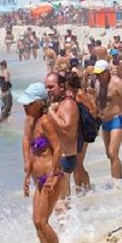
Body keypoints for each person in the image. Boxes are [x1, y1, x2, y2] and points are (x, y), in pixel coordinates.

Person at [17, 82, 69, 243]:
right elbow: (29, 145)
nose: (24, 106)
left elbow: (58, 148)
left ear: (39, 103)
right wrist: (26, 172)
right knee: (36, 221)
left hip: (51, 176)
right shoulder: (31, 121)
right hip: (39, 177)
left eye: (28, 103)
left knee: (42, 220)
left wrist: (53, 175)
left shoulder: (46, 121)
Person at [90, 59, 122, 179]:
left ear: (107, 71)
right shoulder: (97, 83)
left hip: (117, 119)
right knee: (109, 155)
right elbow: (97, 101)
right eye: (97, 74)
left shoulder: (117, 83)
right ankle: (119, 178)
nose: (98, 76)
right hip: (104, 122)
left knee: (113, 152)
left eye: (101, 73)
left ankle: (117, 183)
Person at [45, 72, 80, 202]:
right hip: (59, 158)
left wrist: (51, 112)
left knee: (60, 201)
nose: (48, 90)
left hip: (66, 158)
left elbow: (67, 128)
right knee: (63, 200)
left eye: (51, 87)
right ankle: (71, 221)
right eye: (46, 87)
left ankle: (68, 222)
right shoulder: (57, 104)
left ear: (61, 86)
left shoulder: (68, 104)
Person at [65, 71, 96, 193]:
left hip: (83, 132)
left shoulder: (80, 93)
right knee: (75, 165)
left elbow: (93, 109)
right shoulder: (69, 94)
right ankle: (79, 189)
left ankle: (87, 187)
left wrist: (85, 121)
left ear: (69, 82)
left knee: (78, 163)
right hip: (75, 133)